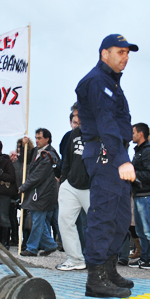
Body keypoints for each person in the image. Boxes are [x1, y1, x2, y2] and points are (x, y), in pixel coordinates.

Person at [75, 34, 138, 298]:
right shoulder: (97, 81)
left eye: (127, 53)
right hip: (106, 151)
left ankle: (109, 269)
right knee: (103, 216)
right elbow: (105, 122)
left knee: (121, 216)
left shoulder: (111, 81)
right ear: (104, 54)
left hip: (114, 150)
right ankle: (96, 278)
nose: (125, 57)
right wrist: (122, 159)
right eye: (120, 52)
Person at [57, 108, 90, 271]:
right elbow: (67, 159)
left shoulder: (101, 132)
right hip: (71, 184)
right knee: (64, 220)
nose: (76, 117)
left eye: (79, 114)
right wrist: (64, 180)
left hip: (92, 187)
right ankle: (75, 259)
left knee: (98, 225)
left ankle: (101, 261)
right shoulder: (75, 133)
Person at [18, 129, 61, 256]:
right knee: (40, 221)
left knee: (37, 220)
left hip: (43, 193)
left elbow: (38, 175)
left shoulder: (49, 155)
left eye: (39, 138)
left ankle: (32, 248)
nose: (37, 140)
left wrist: (24, 187)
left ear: (47, 139)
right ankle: (49, 244)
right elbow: (23, 160)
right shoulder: (37, 152)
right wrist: (23, 145)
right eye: (36, 138)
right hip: (39, 192)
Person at [130, 123, 150, 270]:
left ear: (140, 134)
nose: (131, 135)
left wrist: (132, 175)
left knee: (149, 230)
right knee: (141, 230)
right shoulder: (139, 151)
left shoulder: (148, 151)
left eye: (133, 133)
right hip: (139, 194)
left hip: (147, 195)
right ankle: (145, 258)